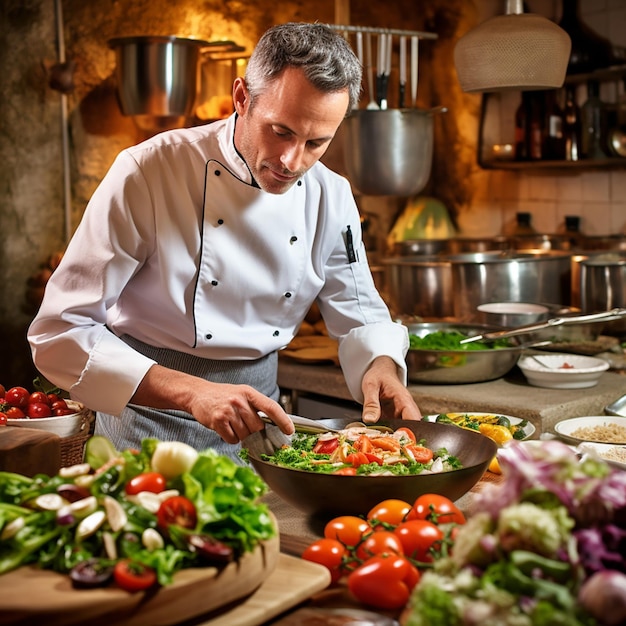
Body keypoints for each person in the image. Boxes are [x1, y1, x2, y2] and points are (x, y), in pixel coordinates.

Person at [27, 22, 422, 464]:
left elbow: (360, 312)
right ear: (241, 98)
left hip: (260, 428)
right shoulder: (149, 171)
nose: (293, 162)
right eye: (282, 131)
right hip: (145, 427)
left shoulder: (332, 195)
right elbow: (59, 331)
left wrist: (381, 365)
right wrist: (192, 391)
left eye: (317, 143)